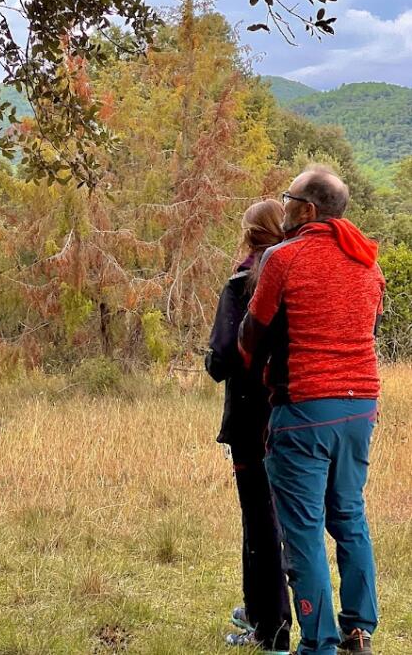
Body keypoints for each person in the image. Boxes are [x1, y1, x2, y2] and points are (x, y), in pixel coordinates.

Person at [239, 167, 385, 655]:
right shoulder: (368, 262)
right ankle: (358, 629)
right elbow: (369, 324)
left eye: (288, 198)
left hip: (305, 408)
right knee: (348, 515)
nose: (282, 207)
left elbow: (251, 335)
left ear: (307, 209)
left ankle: (317, 644)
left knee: (301, 530)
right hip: (360, 406)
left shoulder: (284, 257)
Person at [205, 199, 291, 655]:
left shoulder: (241, 284)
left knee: (259, 522)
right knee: (292, 522)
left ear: (249, 234)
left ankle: (271, 629)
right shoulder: (299, 278)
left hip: (250, 419)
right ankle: (263, 612)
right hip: (299, 414)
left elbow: (221, 360)